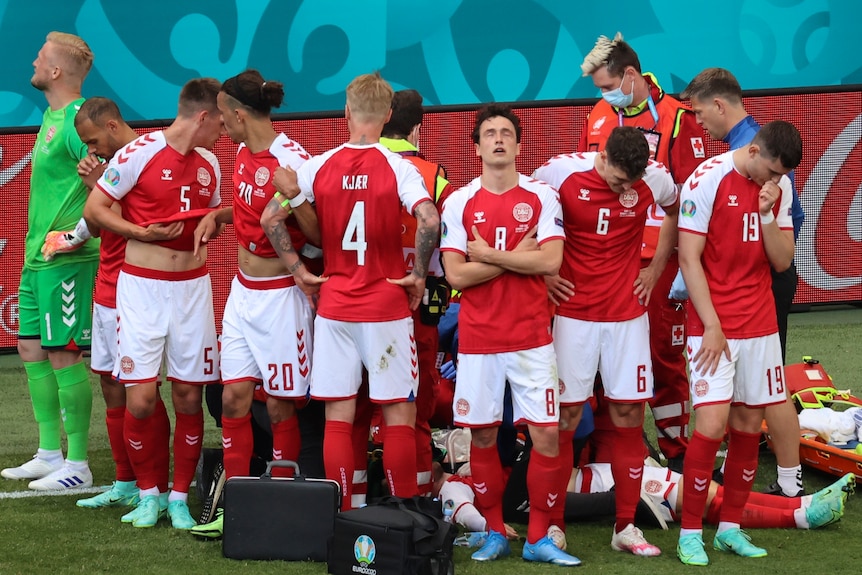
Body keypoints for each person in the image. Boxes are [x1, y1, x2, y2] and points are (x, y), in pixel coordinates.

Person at [263, 72, 440, 513]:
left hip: (336, 306)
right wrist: (418, 274)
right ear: (387, 116)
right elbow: (430, 220)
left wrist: (300, 271)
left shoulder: (317, 165)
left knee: (339, 418)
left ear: (345, 112)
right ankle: (404, 518)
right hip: (384, 305)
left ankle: (345, 514)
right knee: (398, 413)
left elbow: (270, 219)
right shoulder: (399, 166)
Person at [440, 104, 581, 566]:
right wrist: (513, 255)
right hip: (479, 341)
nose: (498, 139)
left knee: (546, 438)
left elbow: (550, 263)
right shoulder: (459, 201)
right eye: (489, 133)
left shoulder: (542, 197)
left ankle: (538, 538)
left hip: (532, 339)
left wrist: (488, 255)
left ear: (519, 145)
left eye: (506, 133)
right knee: (481, 439)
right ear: (477, 145)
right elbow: (455, 274)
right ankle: (496, 532)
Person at [83, 78, 225, 530]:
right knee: (141, 399)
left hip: (191, 289)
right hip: (141, 289)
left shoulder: (211, 163)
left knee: (188, 395)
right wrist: (137, 232)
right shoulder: (137, 153)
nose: (224, 129)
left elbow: (214, 216)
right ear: (202, 117)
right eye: (220, 120)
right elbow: (94, 209)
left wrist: (211, 224)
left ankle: (179, 498)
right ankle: (149, 495)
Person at [534, 126, 679, 557]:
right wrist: (545, 273)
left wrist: (655, 269)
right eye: (618, 181)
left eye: (631, 183)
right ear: (601, 157)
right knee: (566, 417)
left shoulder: (654, 176)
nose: (624, 189)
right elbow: (526, 210)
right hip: (573, 317)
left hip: (627, 316)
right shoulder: (560, 171)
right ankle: (555, 526)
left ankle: (626, 526)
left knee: (629, 413)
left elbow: (674, 211)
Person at [188, 69, 317, 538]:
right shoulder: (243, 152)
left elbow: (320, 233)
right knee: (233, 398)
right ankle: (236, 504)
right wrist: (218, 215)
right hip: (243, 294)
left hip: (283, 299)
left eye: (224, 117)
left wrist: (297, 193)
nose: (222, 126)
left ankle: (279, 500)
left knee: (281, 407)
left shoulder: (294, 161)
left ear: (240, 115)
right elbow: (247, 210)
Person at [675, 120, 803, 565]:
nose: (774, 180)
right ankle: (690, 532)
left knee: (749, 427)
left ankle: (730, 527)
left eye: (780, 175)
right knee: (711, 426)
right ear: (753, 151)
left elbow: (783, 260)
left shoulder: (778, 187)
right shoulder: (706, 179)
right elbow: (689, 259)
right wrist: (711, 324)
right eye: (770, 171)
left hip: (760, 324)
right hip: (712, 325)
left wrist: (768, 212)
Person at [579, 33, 703, 469]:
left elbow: (687, 202)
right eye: (598, 89)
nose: (603, 95)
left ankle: (678, 455)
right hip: (603, 260)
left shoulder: (678, 118)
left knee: (663, 359)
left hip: (658, 264)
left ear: (630, 75)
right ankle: (601, 449)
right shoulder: (598, 114)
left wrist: (663, 269)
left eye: (607, 85)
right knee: (594, 361)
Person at [1, 32, 99, 491]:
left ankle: (78, 465)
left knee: (63, 352)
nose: (34, 61)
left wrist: (77, 233)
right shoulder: (51, 115)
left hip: (66, 258)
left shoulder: (81, 118)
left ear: (56, 71)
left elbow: (114, 170)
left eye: (41, 57)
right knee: (30, 348)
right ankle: (47, 454)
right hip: (36, 256)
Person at [72, 97, 172, 509]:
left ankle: (157, 487)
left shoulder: (149, 158)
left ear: (113, 125)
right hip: (106, 290)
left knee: (142, 391)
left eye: (94, 140)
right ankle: (125, 482)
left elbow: (152, 221)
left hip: (139, 290)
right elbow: (96, 224)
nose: (91, 151)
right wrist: (92, 192)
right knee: (111, 384)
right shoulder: (107, 165)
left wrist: (99, 185)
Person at [435, 455, 853, 538]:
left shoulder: (477, 459)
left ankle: (802, 505)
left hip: (601, 472)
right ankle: (799, 515)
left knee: (707, 494)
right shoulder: (453, 486)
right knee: (703, 499)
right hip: (602, 486)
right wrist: (488, 525)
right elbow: (462, 509)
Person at [379, 88, 453, 496]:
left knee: (354, 408)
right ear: (417, 127)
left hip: (358, 302)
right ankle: (418, 498)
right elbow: (451, 235)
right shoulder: (432, 175)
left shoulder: (346, 163)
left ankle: (354, 498)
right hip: (416, 301)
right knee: (416, 410)